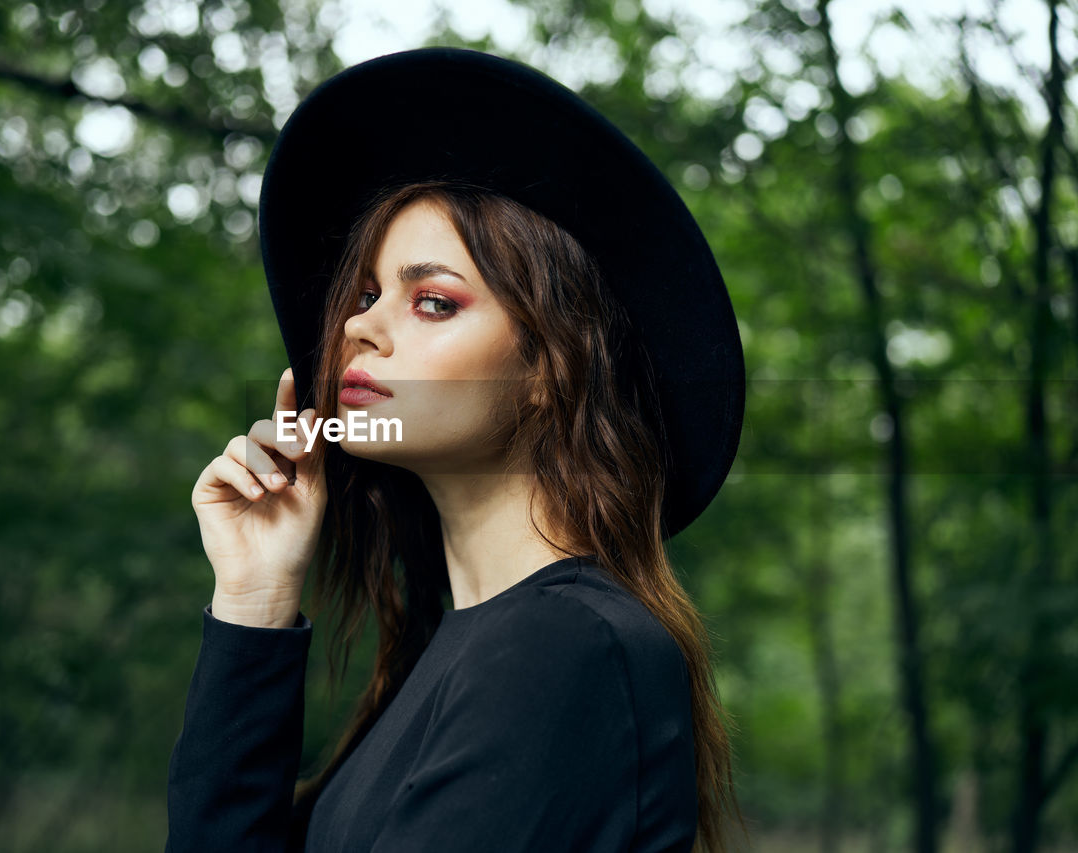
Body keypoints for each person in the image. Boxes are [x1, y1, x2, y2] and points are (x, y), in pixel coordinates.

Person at [165, 47, 747, 853]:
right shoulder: (462, 658)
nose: (358, 326)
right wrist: (255, 599)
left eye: (432, 301)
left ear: (552, 367)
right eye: (367, 295)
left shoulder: (566, 648)